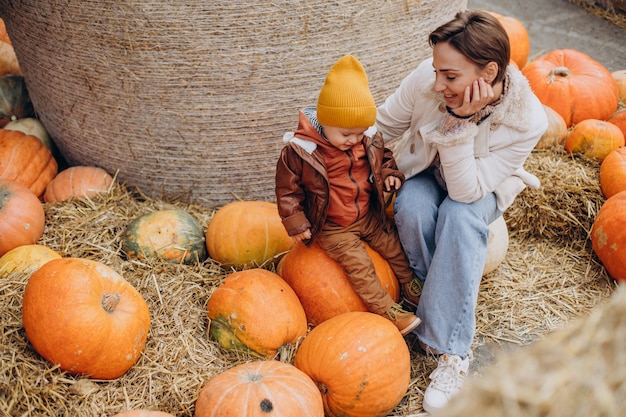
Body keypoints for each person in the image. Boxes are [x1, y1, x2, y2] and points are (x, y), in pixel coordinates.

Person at [375, 9, 548, 414]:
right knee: (413, 206)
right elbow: (381, 126)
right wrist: (332, 140)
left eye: (449, 77)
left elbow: (466, 191)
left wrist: (458, 124)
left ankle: (453, 351)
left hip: (475, 189)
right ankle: (430, 299)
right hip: (422, 171)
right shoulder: (427, 79)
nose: (438, 83)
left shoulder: (527, 120)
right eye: (437, 71)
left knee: (459, 217)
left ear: (488, 72)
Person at [275, 54, 423, 336]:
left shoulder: (367, 139)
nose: (353, 140)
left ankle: (415, 290)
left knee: (396, 248)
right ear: (325, 122)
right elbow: (287, 190)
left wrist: (391, 176)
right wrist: (296, 223)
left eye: (359, 133)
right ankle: (388, 311)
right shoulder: (301, 152)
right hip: (333, 226)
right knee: (360, 266)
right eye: (345, 134)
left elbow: (385, 159)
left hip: (367, 216)